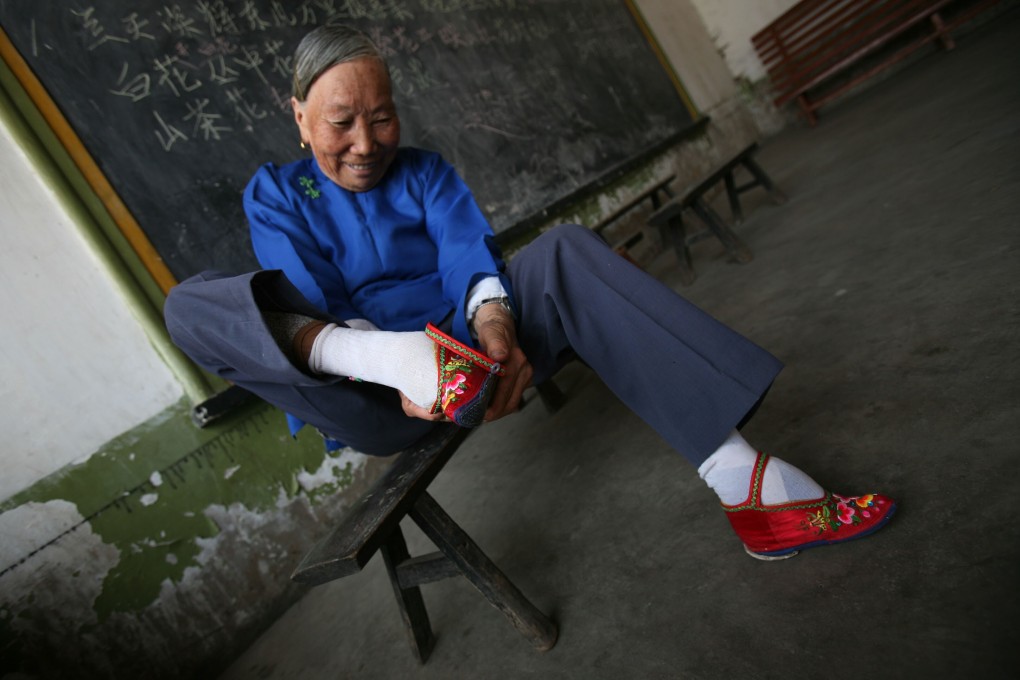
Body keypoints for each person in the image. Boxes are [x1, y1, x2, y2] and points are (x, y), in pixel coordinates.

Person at [164, 25, 895, 560]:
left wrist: (495, 327)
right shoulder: (276, 194)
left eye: (381, 117)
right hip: (374, 395)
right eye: (340, 123)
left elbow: (467, 253)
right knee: (189, 305)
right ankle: (400, 360)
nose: (365, 142)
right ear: (298, 116)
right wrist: (396, 368)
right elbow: (311, 293)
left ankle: (747, 486)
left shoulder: (424, 171)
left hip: (475, 357)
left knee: (564, 252)